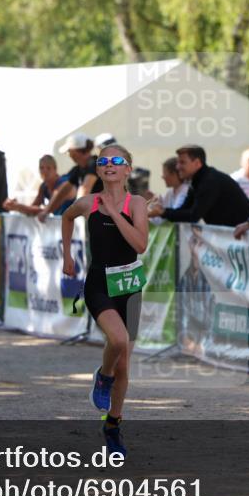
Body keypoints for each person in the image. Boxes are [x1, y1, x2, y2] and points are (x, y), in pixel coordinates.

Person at [61, 143, 149, 457]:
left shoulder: (137, 203)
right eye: (103, 161)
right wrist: (67, 254)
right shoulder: (87, 203)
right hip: (100, 283)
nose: (109, 164)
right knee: (119, 339)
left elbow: (140, 244)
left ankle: (112, 425)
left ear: (127, 169)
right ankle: (104, 375)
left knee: (125, 362)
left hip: (130, 286)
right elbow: (67, 217)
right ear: (98, 169)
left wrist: (114, 213)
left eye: (116, 160)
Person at [148, 145, 249, 226]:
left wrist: (163, 212)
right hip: (235, 236)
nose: (177, 167)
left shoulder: (209, 181)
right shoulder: (196, 181)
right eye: (178, 162)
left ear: (197, 163)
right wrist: (161, 212)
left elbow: (193, 215)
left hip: (246, 236)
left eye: (182, 162)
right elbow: (184, 210)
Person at [36, 133, 102, 220]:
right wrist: (47, 211)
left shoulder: (94, 164)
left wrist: (72, 215)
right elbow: (63, 191)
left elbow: (85, 189)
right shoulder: (78, 169)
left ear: (76, 151)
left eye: (69, 151)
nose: (68, 155)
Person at [3, 155, 70, 217]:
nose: (44, 171)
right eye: (41, 168)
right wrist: (15, 205)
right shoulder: (44, 186)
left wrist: (17, 206)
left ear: (55, 169)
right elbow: (33, 208)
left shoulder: (63, 184)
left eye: (48, 168)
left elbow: (46, 211)